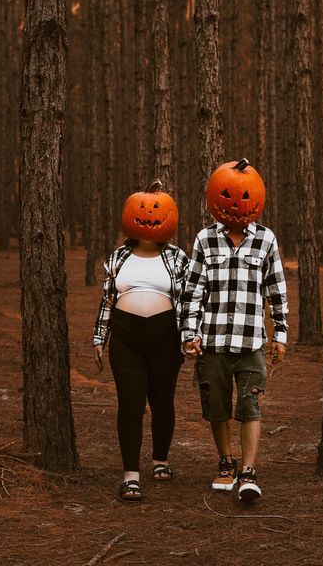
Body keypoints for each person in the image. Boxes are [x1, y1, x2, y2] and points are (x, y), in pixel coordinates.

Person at [181, 158, 288, 501]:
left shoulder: (266, 240)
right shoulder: (204, 240)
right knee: (216, 405)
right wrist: (189, 334)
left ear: (257, 199)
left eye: (247, 198)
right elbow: (192, 290)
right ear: (215, 198)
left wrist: (280, 335)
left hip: (251, 341)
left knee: (250, 405)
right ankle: (226, 462)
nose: (238, 206)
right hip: (212, 341)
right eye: (228, 196)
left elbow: (276, 290)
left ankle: (249, 471)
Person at [93, 179, 188, 501]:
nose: (148, 216)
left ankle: (160, 461)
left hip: (166, 337)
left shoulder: (177, 258)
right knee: (130, 404)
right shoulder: (119, 256)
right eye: (143, 211)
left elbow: (188, 301)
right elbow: (107, 299)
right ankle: (130, 475)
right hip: (126, 338)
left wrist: (190, 336)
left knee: (162, 401)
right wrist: (99, 337)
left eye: (156, 211)